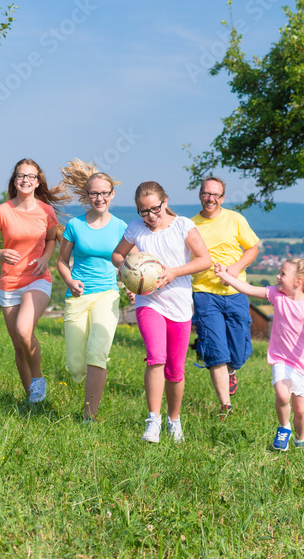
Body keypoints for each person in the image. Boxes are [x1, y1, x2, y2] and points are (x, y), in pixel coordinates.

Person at [112, 181, 212, 444]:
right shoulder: (136, 229)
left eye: (154, 209)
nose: (150, 216)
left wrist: (173, 272)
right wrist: (130, 273)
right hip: (149, 303)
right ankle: (153, 421)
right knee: (156, 357)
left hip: (179, 305)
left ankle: (174, 420)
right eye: (143, 212)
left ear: (165, 202)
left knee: (175, 370)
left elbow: (205, 259)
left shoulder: (183, 226)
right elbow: (117, 255)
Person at [214, 257, 304, 450]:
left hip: (303, 363)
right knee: (282, 396)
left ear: (298, 282)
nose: (277, 276)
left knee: (301, 410)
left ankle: (300, 440)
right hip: (281, 358)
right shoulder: (276, 295)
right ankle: (284, 428)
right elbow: (248, 289)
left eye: (282, 273)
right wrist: (225, 276)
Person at [0, 158, 68, 404]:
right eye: (21, 175)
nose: (25, 180)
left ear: (37, 182)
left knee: (23, 329)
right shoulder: (3, 211)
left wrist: (45, 259)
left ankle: (38, 380)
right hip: (9, 282)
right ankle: (31, 400)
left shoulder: (45, 211)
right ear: (14, 180)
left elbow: (51, 240)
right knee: (19, 345)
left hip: (37, 279)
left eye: (30, 176)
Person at [56, 160, 131, 421]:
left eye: (104, 193)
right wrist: (69, 281)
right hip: (77, 296)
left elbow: (130, 265)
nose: (99, 198)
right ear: (86, 196)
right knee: (77, 366)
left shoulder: (122, 227)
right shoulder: (75, 225)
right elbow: (61, 262)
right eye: (94, 193)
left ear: (112, 194)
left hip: (107, 294)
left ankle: (89, 417)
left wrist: (131, 287)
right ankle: (81, 380)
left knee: (97, 353)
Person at [191, 176, 260, 416]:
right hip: (204, 293)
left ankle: (232, 370)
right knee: (215, 349)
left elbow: (252, 248)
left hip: (235, 292)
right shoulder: (190, 225)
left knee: (240, 352)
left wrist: (235, 268)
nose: (210, 198)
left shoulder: (235, 219)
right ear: (200, 194)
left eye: (215, 195)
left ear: (222, 198)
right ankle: (226, 406)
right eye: (206, 193)